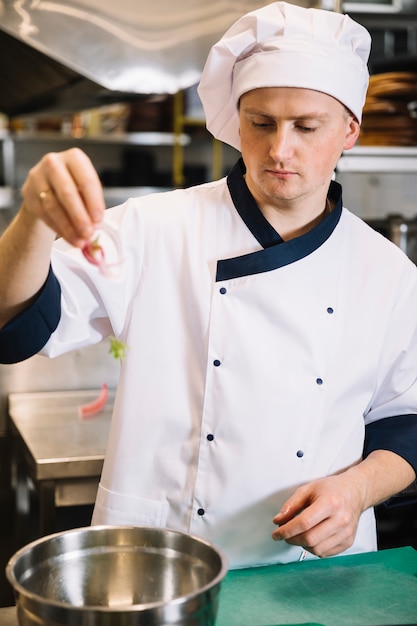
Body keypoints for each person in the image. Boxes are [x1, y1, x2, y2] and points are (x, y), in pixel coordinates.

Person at [0, 1, 417, 569]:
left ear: (349, 130)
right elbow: (14, 329)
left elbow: (406, 423)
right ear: (235, 119)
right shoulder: (153, 228)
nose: (279, 150)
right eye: (261, 123)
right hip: (162, 558)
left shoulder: (386, 271)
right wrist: (32, 219)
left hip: (314, 568)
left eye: (306, 127)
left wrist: (357, 492)